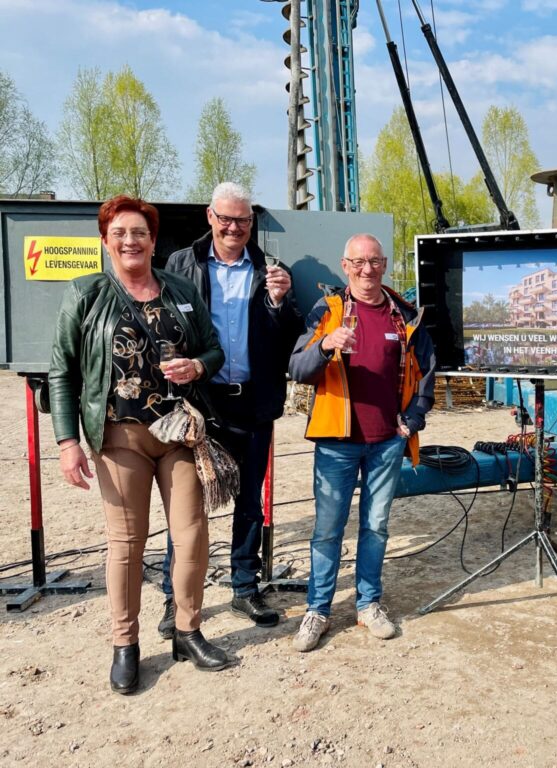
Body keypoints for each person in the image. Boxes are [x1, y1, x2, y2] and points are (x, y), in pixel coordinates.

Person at [49, 195, 234, 695]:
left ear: (154, 241)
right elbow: (62, 371)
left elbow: (213, 349)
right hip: (119, 438)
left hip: (179, 434)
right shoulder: (86, 294)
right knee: (127, 543)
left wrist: (197, 366)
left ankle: (187, 631)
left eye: (140, 233)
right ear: (105, 241)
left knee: (192, 534)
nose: (130, 241)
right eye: (120, 233)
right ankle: (125, 644)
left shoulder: (180, 290)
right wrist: (67, 442)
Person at [156, 182, 303, 636]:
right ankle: (176, 597)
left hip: (253, 402)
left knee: (249, 502)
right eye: (226, 218)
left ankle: (244, 587)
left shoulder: (269, 268)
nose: (234, 227)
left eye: (243, 220)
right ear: (210, 217)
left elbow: (287, 338)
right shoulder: (182, 264)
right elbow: (164, 324)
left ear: (251, 223)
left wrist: (280, 303)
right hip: (200, 404)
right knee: (187, 505)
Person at [288, 233, 436, 651]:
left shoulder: (404, 315)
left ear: (384, 265)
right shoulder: (327, 310)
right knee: (327, 529)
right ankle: (318, 610)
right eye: (358, 262)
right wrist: (325, 345)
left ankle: (368, 604)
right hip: (337, 440)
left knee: (375, 527)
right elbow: (297, 368)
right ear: (345, 266)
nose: (366, 269)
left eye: (374, 261)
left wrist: (413, 418)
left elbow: (427, 372)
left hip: (387, 441)